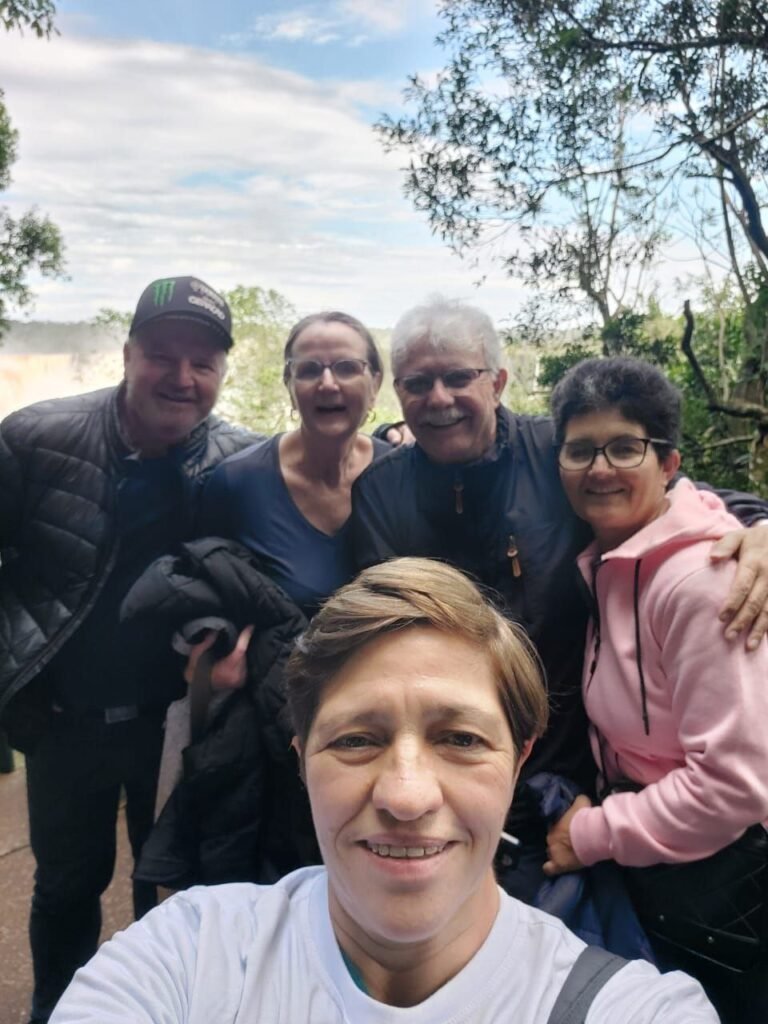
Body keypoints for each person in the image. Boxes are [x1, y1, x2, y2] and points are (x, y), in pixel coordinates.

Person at [49, 558, 717, 1023]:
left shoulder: (628, 1008)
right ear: (302, 761)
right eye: (355, 741)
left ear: (519, 762)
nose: (406, 796)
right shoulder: (188, 956)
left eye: (460, 739)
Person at [350, 296, 768, 903]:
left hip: (572, 775)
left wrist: (759, 528)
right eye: (418, 383)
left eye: (459, 377)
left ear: (497, 382)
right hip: (447, 761)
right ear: (398, 394)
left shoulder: (560, 453)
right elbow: (380, 626)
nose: (439, 398)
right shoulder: (381, 493)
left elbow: (667, 491)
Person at [0, 275, 257, 1024]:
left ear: (221, 371)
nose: (182, 377)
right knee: (66, 886)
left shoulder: (240, 464)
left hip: (176, 726)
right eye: (162, 355)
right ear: (127, 355)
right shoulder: (34, 439)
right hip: (64, 721)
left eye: (202, 362)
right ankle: (56, 1010)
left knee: (171, 888)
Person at [543, 356, 768, 1022]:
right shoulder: (612, 562)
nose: (600, 468)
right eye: (580, 450)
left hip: (728, 891)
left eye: (624, 447)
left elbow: (733, 785)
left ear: (668, 463)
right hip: (666, 868)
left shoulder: (703, 581)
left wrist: (589, 834)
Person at [195, 310, 387, 619]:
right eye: (309, 370)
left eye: (347, 368)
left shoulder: (399, 475)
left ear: (375, 383)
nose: (328, 384)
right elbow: (207, 595)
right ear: (290, 387)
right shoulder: (238, 482)